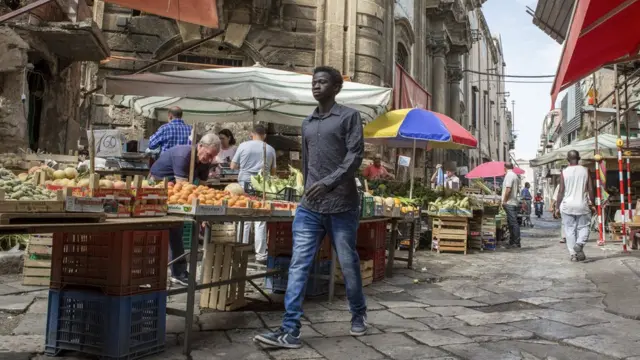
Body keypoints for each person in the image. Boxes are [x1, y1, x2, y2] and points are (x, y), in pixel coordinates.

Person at [255, 66, 368, 348]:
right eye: (314, 82)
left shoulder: (349, 117)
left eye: (323, 82)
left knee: (349, 263)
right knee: (298, 264)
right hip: (310, 206)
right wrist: (308, 188)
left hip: (342, 205)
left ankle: (358, 313)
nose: (316, 86)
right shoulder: (307, 123)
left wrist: (329, 182)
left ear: (337, 88)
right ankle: (290, 329)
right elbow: (305, 162)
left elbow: (355, 156)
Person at [149, 133, 221, 285]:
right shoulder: (183, 155)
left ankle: (177, 270)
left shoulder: (205, 161)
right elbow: (183, 188)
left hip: (175, 190)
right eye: (208, 155)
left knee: (176, 229)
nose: (209, 159)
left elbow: (202, 187)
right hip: (157, 186)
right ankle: (174, 271)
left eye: (213, 157)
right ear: (200, 146)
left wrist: (206, 210)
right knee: (171, 227)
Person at [231, 124, 276, 263]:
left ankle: (242, 250)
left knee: (244, 218)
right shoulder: (270, 149)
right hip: (262, 186)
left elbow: (233, 166)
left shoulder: (243, 146)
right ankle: (261, 254)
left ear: (252, 134)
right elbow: (273, 172)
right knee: (260, 220)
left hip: (244, 184)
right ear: (265, 135)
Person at [555, 150, 594, 262]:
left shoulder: (564, 172)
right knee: (584, 226)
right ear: (579, 158)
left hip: (567, 206)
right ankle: (580, 244)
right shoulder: (586, 170)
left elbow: (561, 191)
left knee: (569, 230)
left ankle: (573, 254)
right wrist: (593, 203)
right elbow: (591, 189)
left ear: (568, 159)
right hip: (582, 204)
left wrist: (557, 207)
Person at [502, 162, 521, 248]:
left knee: (513, 223)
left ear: (505, 167)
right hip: (513, 202)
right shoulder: (515, 175)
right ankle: (512, 241)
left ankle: (516, 242)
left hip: (510, 203)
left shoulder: (509, 175)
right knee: (511, 223)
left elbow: (508, 189)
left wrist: (505, 201)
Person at [552, 165, 568, 243]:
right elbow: (556, 196)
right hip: (567, 205)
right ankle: (567, 236)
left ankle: (564, 237)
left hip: (564, 206)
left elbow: (556, 196)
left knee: (564, 222)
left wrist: (555, 207)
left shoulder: (560, 185)